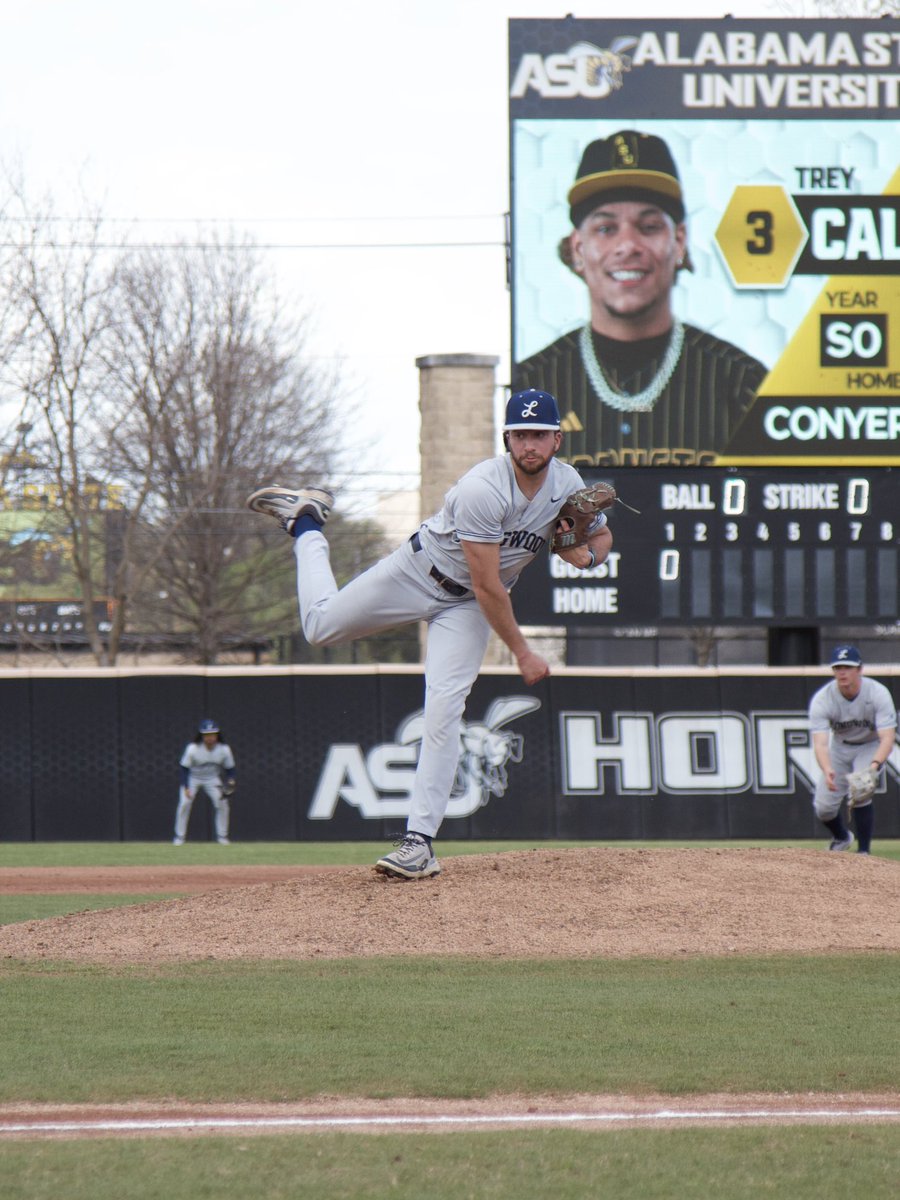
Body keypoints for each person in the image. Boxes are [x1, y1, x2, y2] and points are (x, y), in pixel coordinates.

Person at [246, 388, 613, 880]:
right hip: (419, 573)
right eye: (520, 434)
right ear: (506, 437)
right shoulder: (483, 487)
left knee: (444, 710)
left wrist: (586, 555)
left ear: (557, 439)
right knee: (319, 627)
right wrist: (523, 652)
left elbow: (601, 536)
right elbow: (487, 585)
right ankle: (306, 521)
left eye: (539, 434)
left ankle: (418, 843)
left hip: (464, 609)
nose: (530, 444)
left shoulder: (566, 484)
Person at [512, 129, 768, 468]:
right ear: (578, 249)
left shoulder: (742, 382)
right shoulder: (531, 386)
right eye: (605, 229)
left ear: (678, 242)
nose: (627, 245)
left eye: (648, 226)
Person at [808, 645, 897, 855]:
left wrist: (874, 766)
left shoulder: (877, 693)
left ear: (859, 669)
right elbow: (820, 742)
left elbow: (888, 737)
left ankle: (864, 851)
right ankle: (841, 837)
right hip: (840, 748)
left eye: (847, 667)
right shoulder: (823, 699)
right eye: (838, 667)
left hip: (870, 745)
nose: (842, 672)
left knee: (860, 790)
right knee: (823, 808)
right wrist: (827, 768)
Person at [173, 718, 237, 846]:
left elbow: (230, 769)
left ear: (217, 735)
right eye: (207, 735)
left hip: (212, 778)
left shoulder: (224, 749)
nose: (210, 737)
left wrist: (231, 781)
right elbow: (184, 768)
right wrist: (186, 787)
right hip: (193, 778)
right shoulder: (193, 748)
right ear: (202, 736)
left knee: (222, 803)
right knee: (185, 803)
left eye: (212, 734)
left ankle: (222, 836)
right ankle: (179, 837)